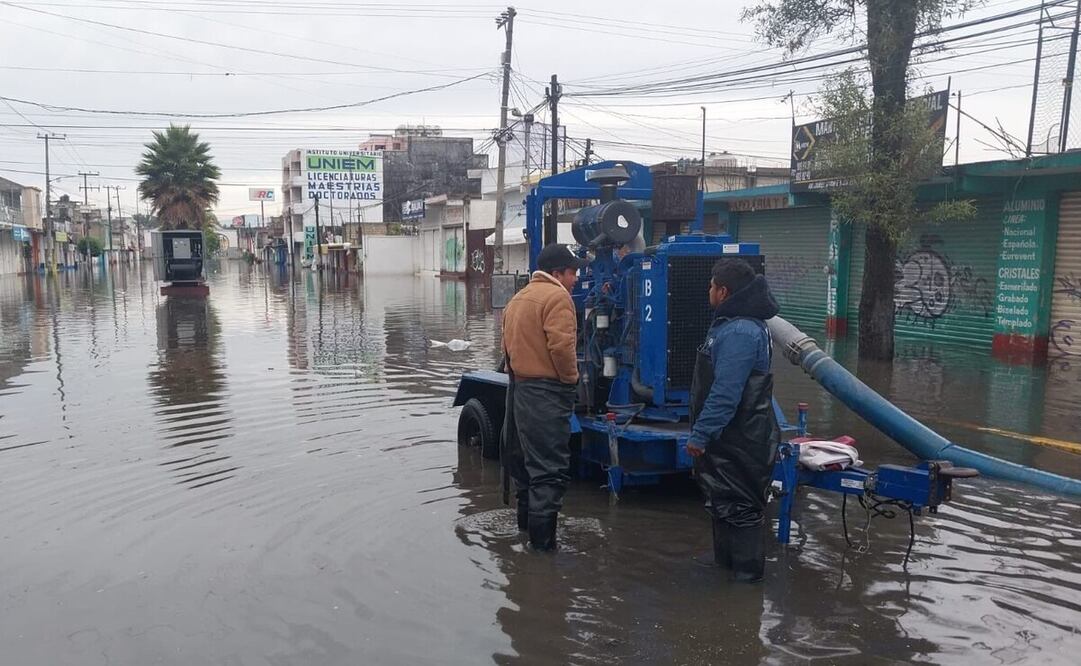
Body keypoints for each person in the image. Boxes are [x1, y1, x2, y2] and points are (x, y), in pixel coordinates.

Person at [686, 258, 781, 582]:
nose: (708, 290)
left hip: (740, 440)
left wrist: (700, 435)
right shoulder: (737, 326)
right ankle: (727, 584)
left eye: (712, 286)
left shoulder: (739, 331)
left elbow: (726, 393)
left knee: (741, 511)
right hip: (733, 439)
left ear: (723, 292)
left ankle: (745, 591)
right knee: (725, 505)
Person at [501, 243, 588, 551]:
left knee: (526, 468)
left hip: (519, 391)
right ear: (556, 274)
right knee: (548, 473)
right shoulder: (558, 298)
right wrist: (571, 381)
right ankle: (543, 553)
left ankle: (524, 538)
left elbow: (506, 350)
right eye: (572, 273)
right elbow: (562, 348)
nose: (576, 279)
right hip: (546, 394)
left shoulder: (518, 298)